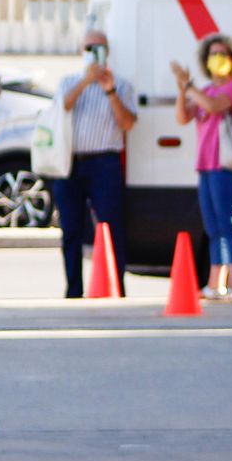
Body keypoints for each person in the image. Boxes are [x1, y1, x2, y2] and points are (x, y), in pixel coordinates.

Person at [51, 30, 138, 299]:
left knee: (111, 228)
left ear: (107, 51)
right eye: (89, 47)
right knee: (71, 230)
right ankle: (73, 290)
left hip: (104, 162)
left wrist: (109, 91)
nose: (94, 51)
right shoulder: (68, 82)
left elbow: (128, 124)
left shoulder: (121, 85)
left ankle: (116, 287)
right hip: (70, 164)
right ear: (81, 50)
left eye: (99, 47)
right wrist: (86, 81)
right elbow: (63, 107)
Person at [171, 34, 232, 302]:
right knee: (213, 225)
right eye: (213, 54)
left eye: (223, 54)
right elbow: (183, 116)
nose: (217, 59)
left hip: (227, 165)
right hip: (206, 165)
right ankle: (216, 283)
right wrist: (183, 89)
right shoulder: (204, 90)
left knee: (230, 221)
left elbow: (215, 108)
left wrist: (189, 86)